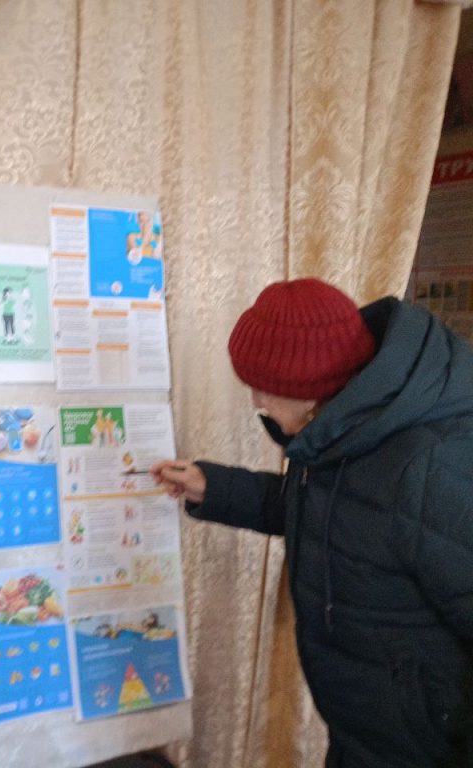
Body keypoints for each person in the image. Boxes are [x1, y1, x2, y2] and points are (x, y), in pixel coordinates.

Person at [151, 278, 473, 768]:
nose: (255, 401)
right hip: (364, 736)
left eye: (263, 387)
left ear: (308, 391)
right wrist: (212, 487)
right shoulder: (344, 432)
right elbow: (332, 515)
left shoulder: (432, 465)